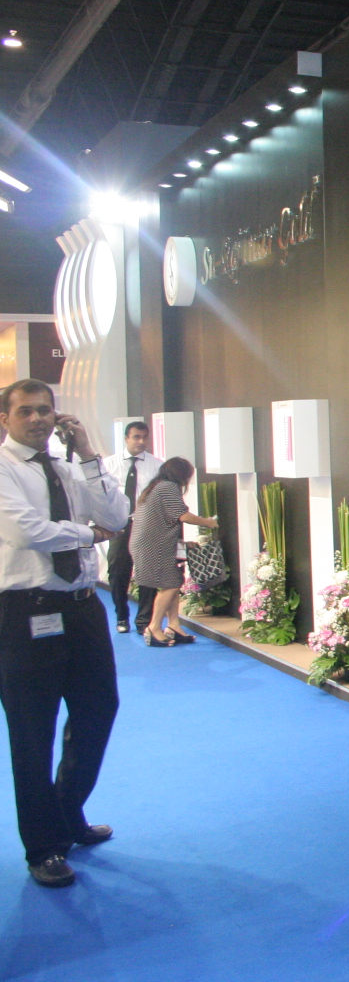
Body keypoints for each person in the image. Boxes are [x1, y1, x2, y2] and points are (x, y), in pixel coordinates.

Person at [0, 379, 130, 887]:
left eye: (45, 410)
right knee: (32, 731)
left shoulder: (68, 467)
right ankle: (43, 847)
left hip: (82, 607)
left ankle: (67, 809)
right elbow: (27, 531)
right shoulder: (4, 468)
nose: (38, 419)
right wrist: (89, 535)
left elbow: (118, 515)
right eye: (25, 411)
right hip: (25, 612)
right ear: (5, 420)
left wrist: (90, 455)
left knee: (99, 710)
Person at [128, 458, 217, 647]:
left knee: (174, 580)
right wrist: (208, 522)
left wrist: (181, 544)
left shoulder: (155, 487)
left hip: (150, 544)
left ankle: (173, 626)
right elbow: (182, 515)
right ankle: (154, 628)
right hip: (153, 546)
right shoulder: (168, 487)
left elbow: (159, 521)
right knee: (170, 584)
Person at [103, 421, 162, 634]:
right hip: (120, 524)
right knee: (117, 570)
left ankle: (144, 621)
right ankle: (121, 615)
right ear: (126, 438)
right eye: (136, 437)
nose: (141, 441)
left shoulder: (157, 465)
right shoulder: (109, 464)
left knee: (147, 572)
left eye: (145, 437)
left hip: (146, 523)